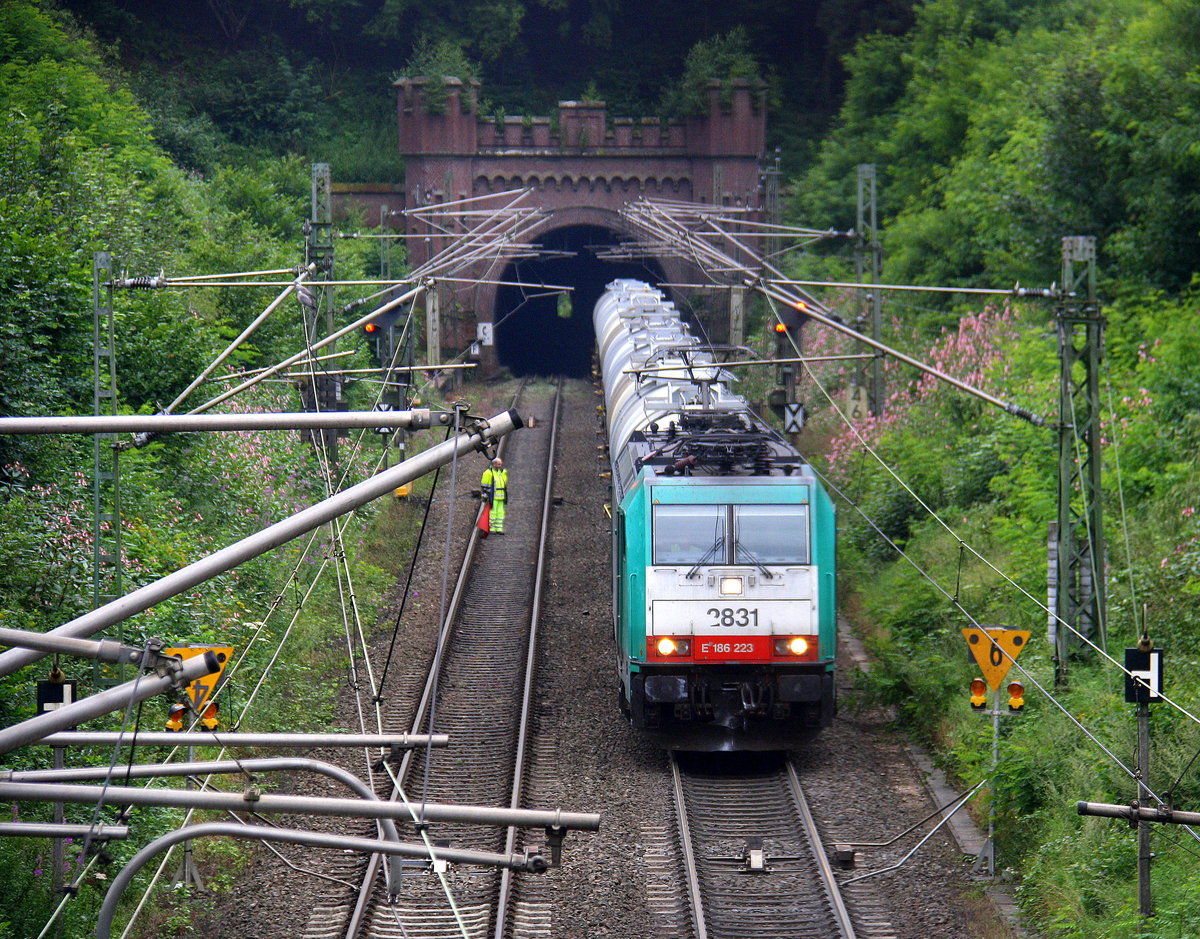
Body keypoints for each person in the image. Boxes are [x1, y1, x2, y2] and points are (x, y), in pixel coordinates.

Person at [481, 457, 508, 534]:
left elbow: (503, 484)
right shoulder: (488, 473)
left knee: (500, 513)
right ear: (494, 464)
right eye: (498, 464)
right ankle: (492, 529)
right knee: (493, 512)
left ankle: (498, 529)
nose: (500, 465)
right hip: (494, 496)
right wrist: (486, 494)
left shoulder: (501, 473)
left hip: (501, 496)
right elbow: (484, 484)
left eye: (500, 464)